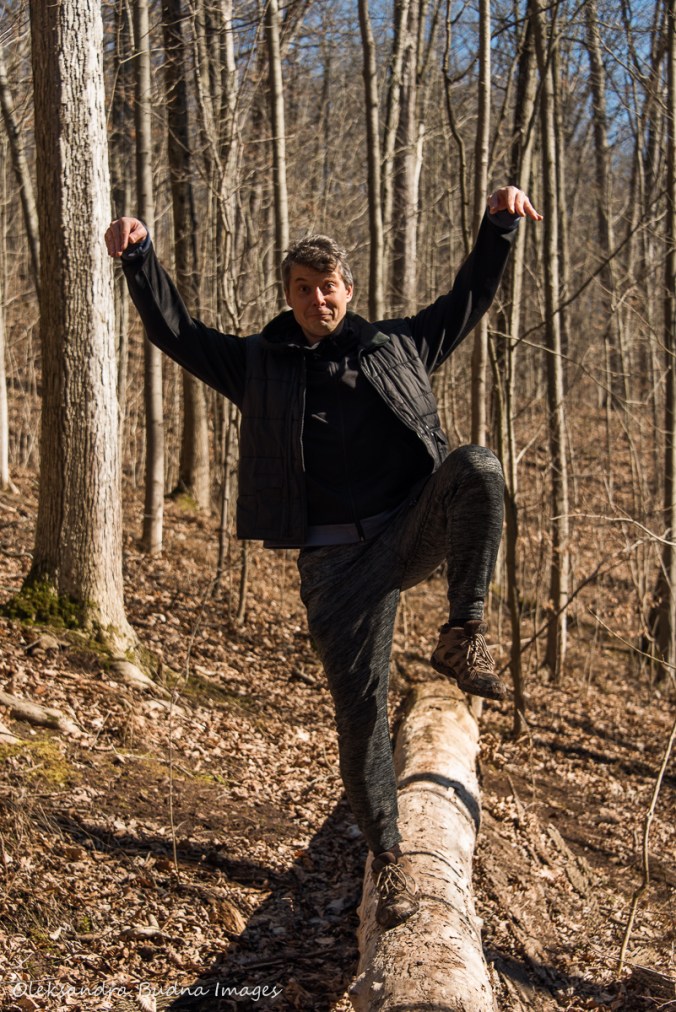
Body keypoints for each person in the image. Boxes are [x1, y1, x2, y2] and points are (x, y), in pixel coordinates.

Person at [106, 185, 541, 930]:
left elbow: (469, 298)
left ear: (349, 290)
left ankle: (463, 633)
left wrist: (498, 226)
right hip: (337, 568)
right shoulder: (260, 365)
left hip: (407, 529)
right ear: (289, 297)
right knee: (362, 713)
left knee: (477, 466)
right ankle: (393, 863)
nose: (318, 300)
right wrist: (140, 259)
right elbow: (177, 333)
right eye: (303, 290)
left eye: (329, 287)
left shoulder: (397, 345)